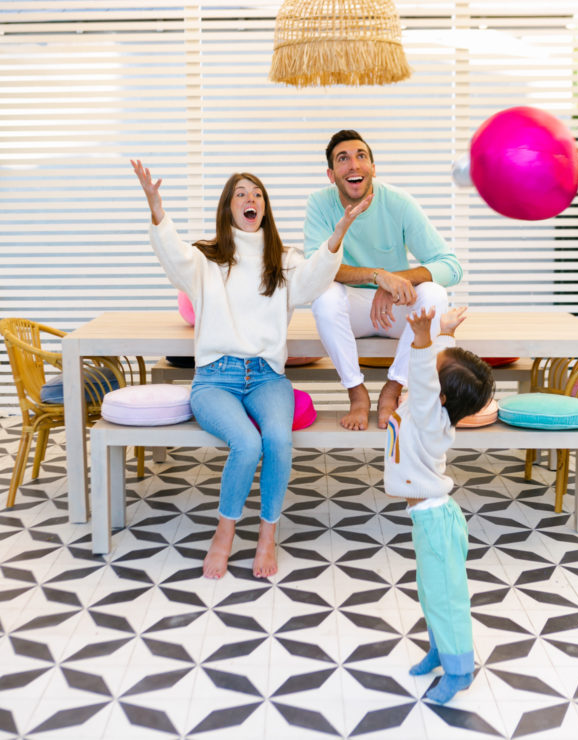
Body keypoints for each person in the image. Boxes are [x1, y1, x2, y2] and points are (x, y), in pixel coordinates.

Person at [131, 159, 371, 580]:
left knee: (277, 440)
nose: (251, 199)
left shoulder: (283, 260)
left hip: (266, 378)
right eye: (241, 193)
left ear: (265, 208)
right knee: (247, 443)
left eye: (257, 194)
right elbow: (169, 251)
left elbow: (316, 279)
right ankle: (223, 535)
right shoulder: (205, 260)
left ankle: (266, 538)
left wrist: (341, 229)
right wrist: (155, 206)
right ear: (228, 208)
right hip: (215, 380)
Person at [304, 129, 463, 431]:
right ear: (331, 173)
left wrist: (393, 282)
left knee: (435, 296)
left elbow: (451, 266)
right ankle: (356, 393)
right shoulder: (319, 204)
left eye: (361, 156)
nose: (353, 165)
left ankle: (393, 389)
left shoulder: (399, 202)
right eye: (343, 159)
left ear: (373, 169)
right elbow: (315, 269)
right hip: (348, 312)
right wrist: (377, 276)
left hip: (395, 313)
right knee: (324, 296)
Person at [385, 305, 494, 704]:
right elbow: (435, 378)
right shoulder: (426, 409)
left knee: (446, 598)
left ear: (439, 394)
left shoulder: (430, 418)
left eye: (431, 366)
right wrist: (444, 334)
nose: (424, 365)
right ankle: (438, 649)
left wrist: (421, 339)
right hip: (427, 518)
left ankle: (460, 670)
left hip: (436, 522)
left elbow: (428, 379)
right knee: (431, 592)